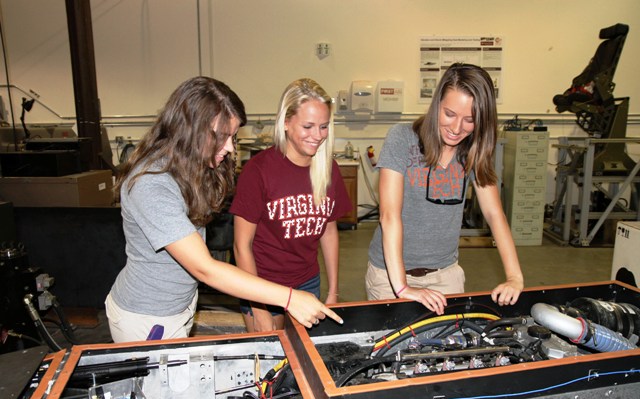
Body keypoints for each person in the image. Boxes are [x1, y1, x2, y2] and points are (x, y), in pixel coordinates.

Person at [105, 76, 342, 343]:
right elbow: (205, 268)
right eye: (221, 137)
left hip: (177, 306)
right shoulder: (151, 184)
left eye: (232, 137)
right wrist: (288, 298)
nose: (230, 148)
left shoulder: (185, 169)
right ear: (190, 130)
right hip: (147, 315)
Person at [366, 63, 524, 315]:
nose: (456, 128)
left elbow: (495, 215)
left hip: (445, 275)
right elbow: (389, 216)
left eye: (470, 119)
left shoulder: (473, 149)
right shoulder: (403, 138)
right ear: (437, 103)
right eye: (449, 113)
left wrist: (515, 276)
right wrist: (402, 288)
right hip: (390, 275)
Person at [230, 78, 351, 332]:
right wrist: (258, 308)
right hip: (263, 285)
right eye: (308, 126)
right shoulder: (258, 171)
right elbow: (242, 245)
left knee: (304, 359)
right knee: (271, 362)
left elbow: (329, 232)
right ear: (285, 122)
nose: (317, 136)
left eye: (323, 127)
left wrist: (334, 292)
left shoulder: (328, 169)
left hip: (307, 283)